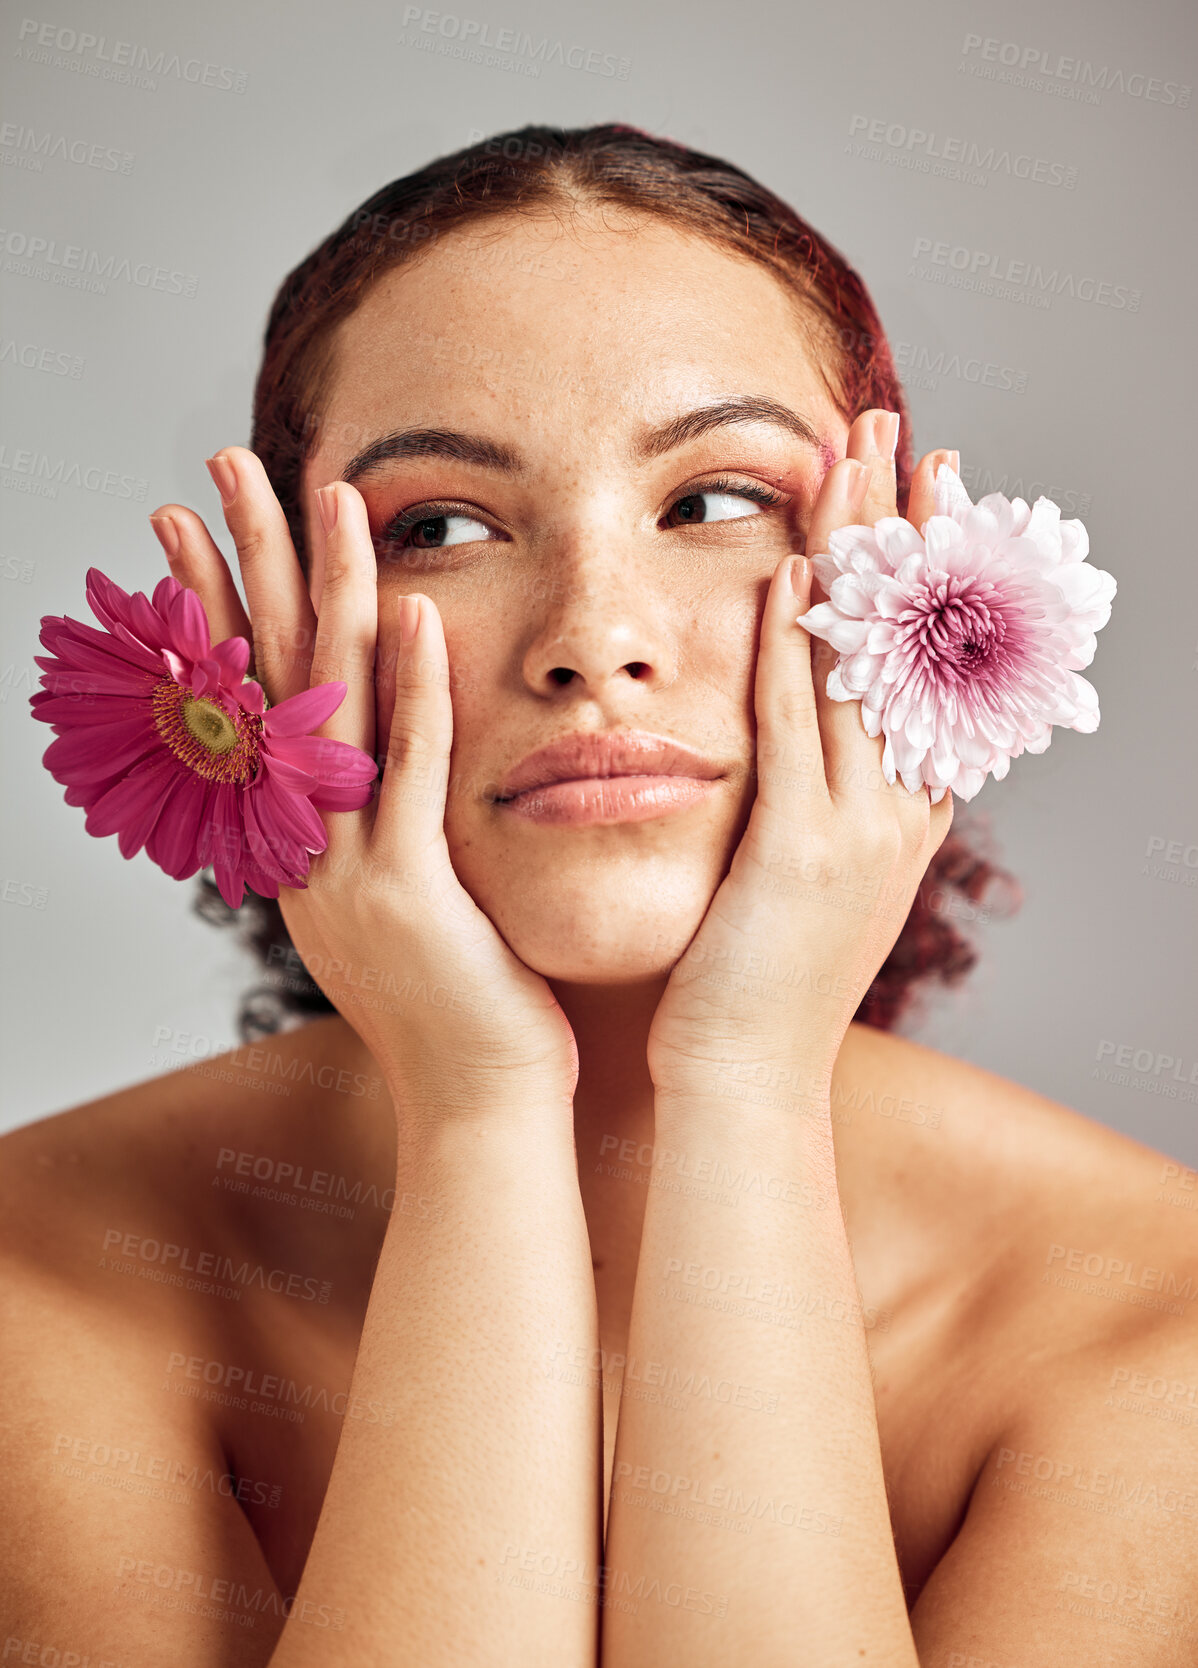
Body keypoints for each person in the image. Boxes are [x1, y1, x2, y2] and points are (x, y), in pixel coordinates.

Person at [3, 125, 1193, 1666]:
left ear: (908, 569)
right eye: (441, 527)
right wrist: (478, 1109)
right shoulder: (35, 1277)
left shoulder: (1153, 1318)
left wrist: (745, 1087)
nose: (593, 639)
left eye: (711, 503)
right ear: (281, 626)